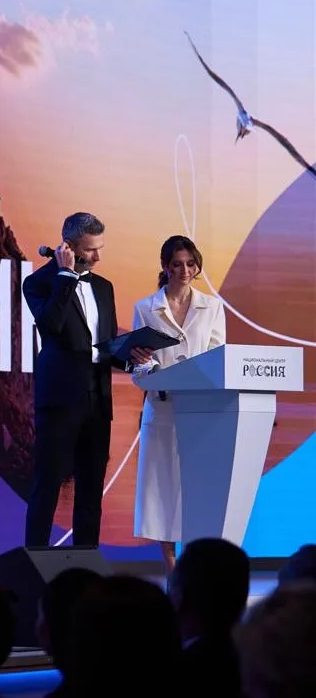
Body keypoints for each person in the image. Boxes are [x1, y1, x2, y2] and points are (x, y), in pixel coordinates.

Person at [22, 212, 152, 548]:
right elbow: (50, 325)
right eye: (90, 250)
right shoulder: (39, 283)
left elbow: (105, 346)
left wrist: (132, 358)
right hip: (61, 398)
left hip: (98, 399)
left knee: (92, 489)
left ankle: (86, 561)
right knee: (48, 483)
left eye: (100, 248)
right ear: (69, 247)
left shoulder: (103, 287)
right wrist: (65, 275)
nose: (97, 257)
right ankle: (35, 560)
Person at [130, 236, 226, 573]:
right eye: (177, 264)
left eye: (190, 264)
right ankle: (173, 570)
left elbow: (218, 358)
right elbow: (138, 365)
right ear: (165, 266)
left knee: (196, 491)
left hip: (201, 412)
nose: (184, 270)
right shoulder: (146, 308)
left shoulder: (212, 307)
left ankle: (195, 568)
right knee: (162, 492)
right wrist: (152, 370)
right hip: (162, 409)